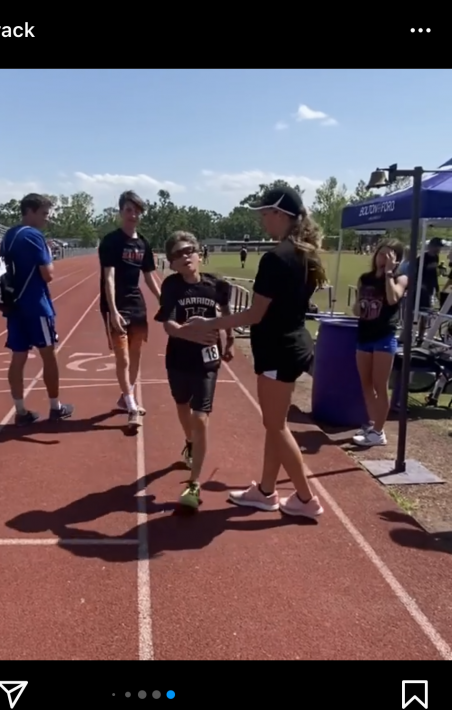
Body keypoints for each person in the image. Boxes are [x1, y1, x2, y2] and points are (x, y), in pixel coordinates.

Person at [191, 187, 325, 518]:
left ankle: (306, 499)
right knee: (275, 424)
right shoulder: (306, 254)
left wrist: (211, 322)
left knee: (276, 426)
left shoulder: (276, 258)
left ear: (281, 215)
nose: (262, 220)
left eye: (265, 214)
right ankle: (266, 491)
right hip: (293, 344)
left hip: (278, 349)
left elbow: (254, 314)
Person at [155, 231, 234, 511]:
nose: (185, 256)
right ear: (172, 263)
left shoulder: (217, 285)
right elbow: (168, 325)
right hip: (178, 358)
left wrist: (229, 339)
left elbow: (226, 313)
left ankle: (194, 483)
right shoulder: (172, 286)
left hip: (207, 360)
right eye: (178, 254)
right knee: (182, 406)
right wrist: (189, 333)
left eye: (189, 250)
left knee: (200, 418)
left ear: (199, 254)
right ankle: (190, 442)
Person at [1, 194, 73, 425]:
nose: (46, 218)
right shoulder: (33, 235)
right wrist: (48, 254)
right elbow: (48, 274)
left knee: (18, 357)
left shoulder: (8, 235)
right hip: (36, 305)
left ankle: (20, 410)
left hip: (14, 305)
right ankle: (55, 407)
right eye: (44, 213)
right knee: (48, 356)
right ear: (30, 211)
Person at [98, 191, 161, 430]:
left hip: (137, 306)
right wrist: (113, 310)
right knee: (122, 358)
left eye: (137, 211)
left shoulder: (143, 243)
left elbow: (149, 277)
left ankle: (126, 397)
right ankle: (132, 406)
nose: (133, 215)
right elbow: (109, 277)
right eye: (128, 210)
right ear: (121, 211)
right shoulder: (111, 242)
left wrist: (163, 300)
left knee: (135, 355)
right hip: (116, 306)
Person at [351, 241, 407, 447]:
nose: (382, 259)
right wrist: (358, 306)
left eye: (388, 256)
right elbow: (356, 308)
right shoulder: (365, 279)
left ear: (397, 259)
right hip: (364, 335)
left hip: (384, 336)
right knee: (366, 384)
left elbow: (392, 299)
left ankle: (379, 432)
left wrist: (389, 274)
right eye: (380, 254)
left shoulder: (400, 278)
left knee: (379, 385)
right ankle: (373, 425)